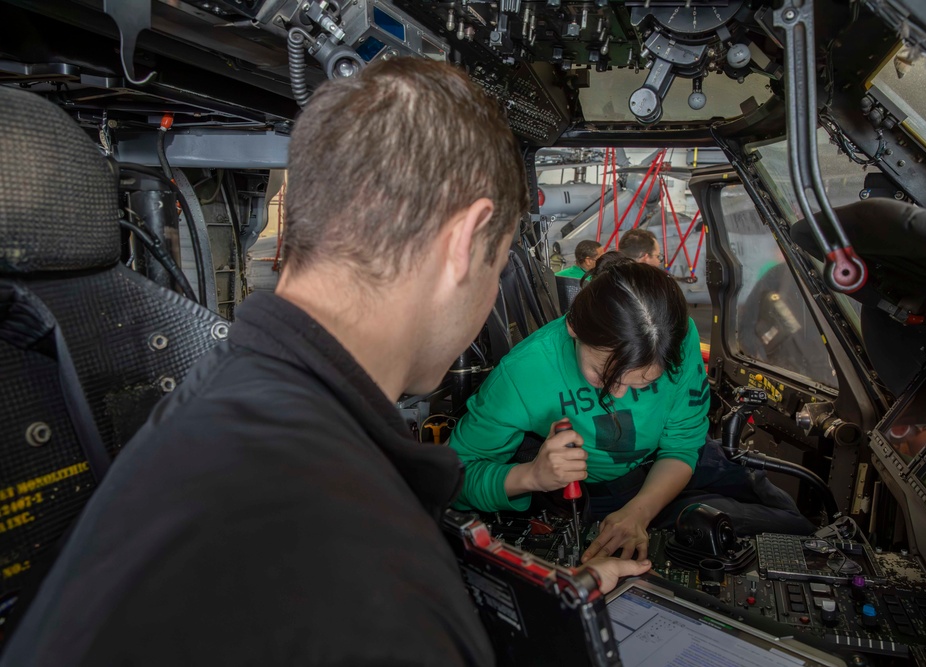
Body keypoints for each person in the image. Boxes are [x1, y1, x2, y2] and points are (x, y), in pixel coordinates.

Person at [0, 59, 647, 667]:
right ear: (463, 242)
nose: (491, 293)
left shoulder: (211, 408)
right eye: (498, 263)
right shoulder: (366, 569)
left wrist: (573, 591)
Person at [449, 254, 708, 563]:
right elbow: (455, 478)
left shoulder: (676, 336)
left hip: (664, 478)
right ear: (574, 326)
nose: (616, 395)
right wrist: (531, 476)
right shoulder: (523, 373)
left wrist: (639, 511)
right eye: (602, 376)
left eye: (640, 383)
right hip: (584, 496)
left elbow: (683, 444)